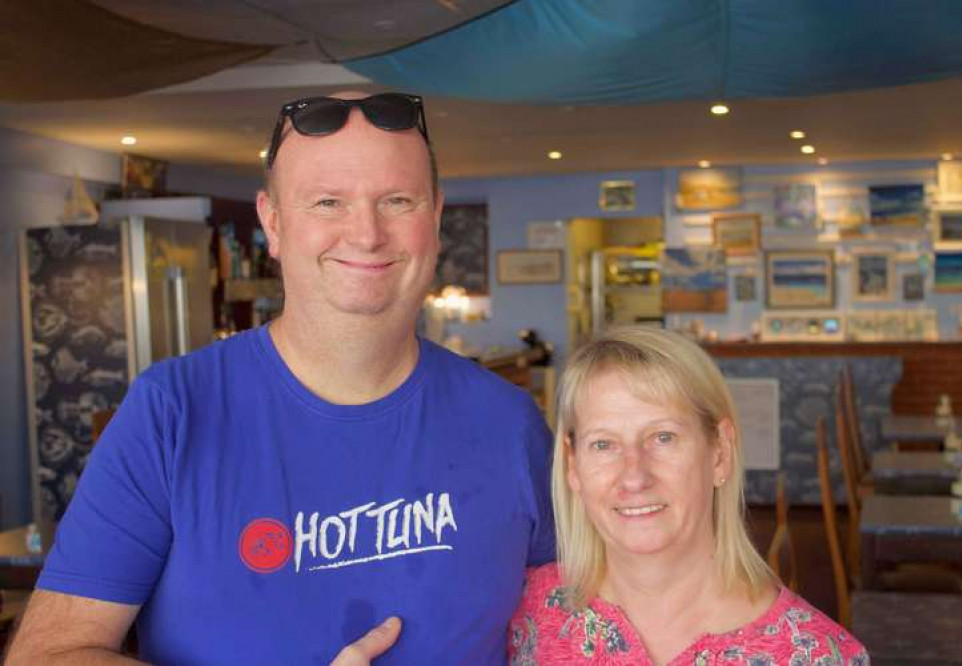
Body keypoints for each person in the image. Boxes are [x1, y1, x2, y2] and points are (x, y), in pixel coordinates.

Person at [6, 92, 554, 665]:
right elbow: (47, 655)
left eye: (397, 201)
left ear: (436, 218)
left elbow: (585, 622)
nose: (366, 234)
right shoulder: (172, 412)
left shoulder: (508, 422)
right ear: (273, 221)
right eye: (327, 202)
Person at [507, 327, 868, 664]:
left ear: (720, 453)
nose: (634, 476)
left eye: (663, 437)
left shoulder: (816, 655)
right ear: (573, 465)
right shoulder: (521, 614)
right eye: (603, 444)